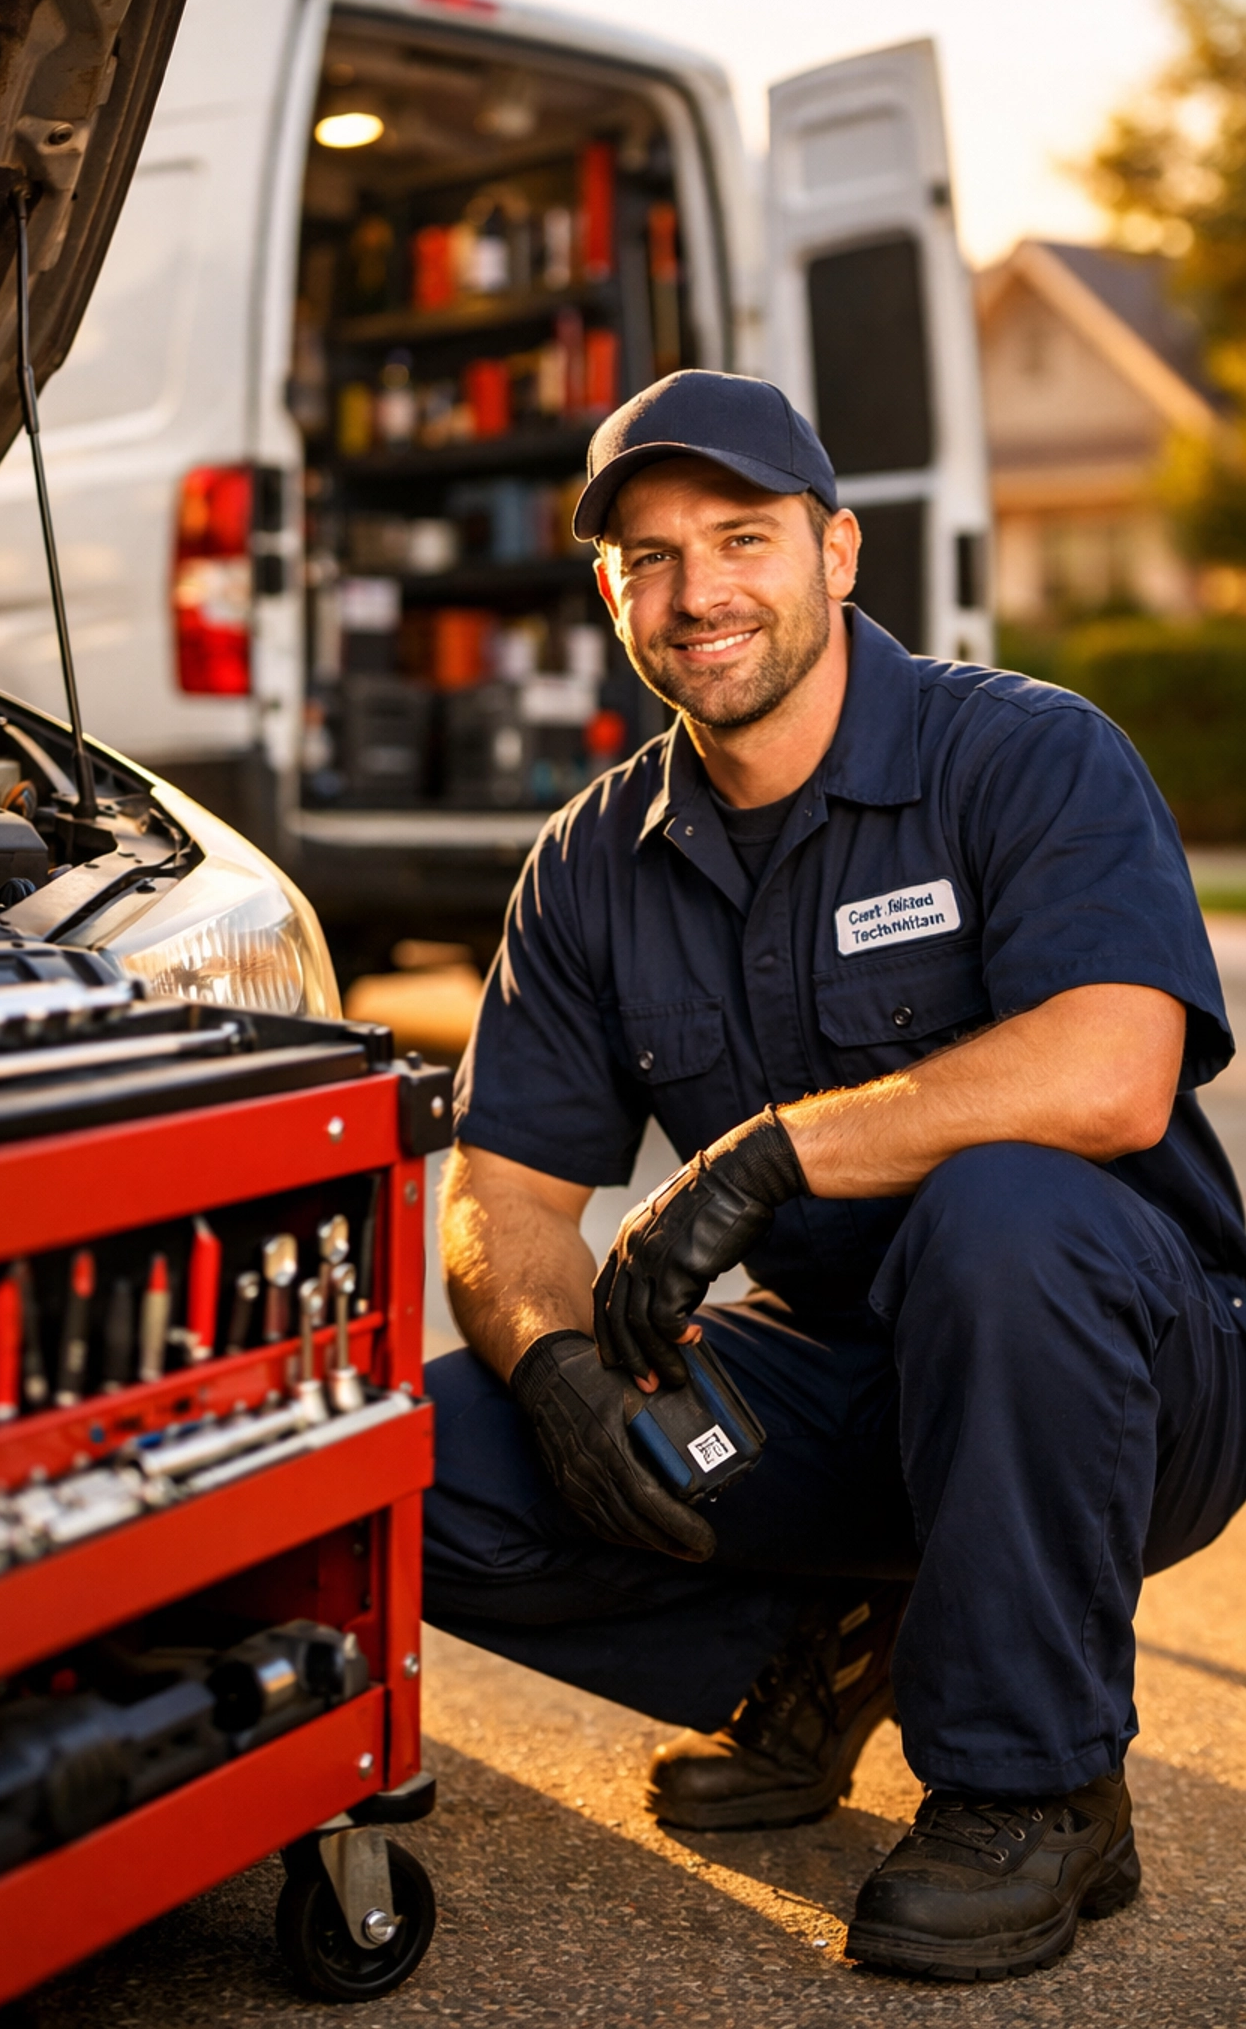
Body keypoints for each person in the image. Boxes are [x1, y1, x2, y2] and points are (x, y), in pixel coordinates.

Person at [422, 369, 1246, 1982]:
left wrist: (773, 1152)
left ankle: (1038, 1790)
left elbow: (1113, 1068)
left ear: (839, 552)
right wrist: (561, 1364)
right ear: (611, 595)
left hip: (1133, 1376)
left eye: (741, 537)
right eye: (646, 557)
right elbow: (500, 1190)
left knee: (1004, 1215)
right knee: (421, 1462)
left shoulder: (1022, 755)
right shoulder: (592, 863)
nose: (697, 591)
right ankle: (825, 1631)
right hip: (846, 1394)